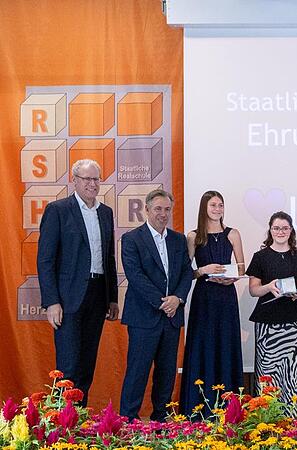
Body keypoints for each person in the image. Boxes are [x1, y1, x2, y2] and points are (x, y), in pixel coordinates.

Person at [37, 159, 118, 406]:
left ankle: (78, 419)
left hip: (98, 294)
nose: (92, 184)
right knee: (68, 367)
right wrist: (51, 302)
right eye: (87, 179)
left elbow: (109, 257)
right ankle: (61, 423)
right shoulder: (58, 210)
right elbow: (46, 260)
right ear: (75, 180)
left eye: (96, 179)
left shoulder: (106, 212)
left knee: (86, 364)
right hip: (68, 298)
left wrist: (113, 297)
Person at [119, 189, 193, 422]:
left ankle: (160, 421)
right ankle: (127, 422)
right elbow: (135, 275)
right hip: (143, 317)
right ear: (147, 209)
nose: (163, 213)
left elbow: (185, 273)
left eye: (167, 209)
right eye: (158, 209)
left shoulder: (178, 239)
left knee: (166, 374)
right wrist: (164, 302)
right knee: (137, 373)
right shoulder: (132, 239)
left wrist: (178, 298)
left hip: (171, 319)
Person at [179, 191, 245, 417]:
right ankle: (199, 405)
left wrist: (233, 277)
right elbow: (185, 272)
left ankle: (228, 407)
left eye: (221, 205)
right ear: (204, 208)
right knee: (203, 345)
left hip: (226, 297)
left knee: (226, 344)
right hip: (204, 298)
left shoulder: (233, 233)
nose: (217, 208)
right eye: (213, 205)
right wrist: (203, 270)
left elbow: (242, 267)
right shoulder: (193, 236)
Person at [246, 211, 297, 417]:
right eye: (276, 228)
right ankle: (268, 415)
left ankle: (295, 415)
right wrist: (269, 287)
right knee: (267, 371)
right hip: (267, 321)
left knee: (293, 370)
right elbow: (253, 290)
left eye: (285, 228)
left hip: (293, 320)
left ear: (291, 230)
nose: (281, 231)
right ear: (270, 230)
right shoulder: (260, 257)